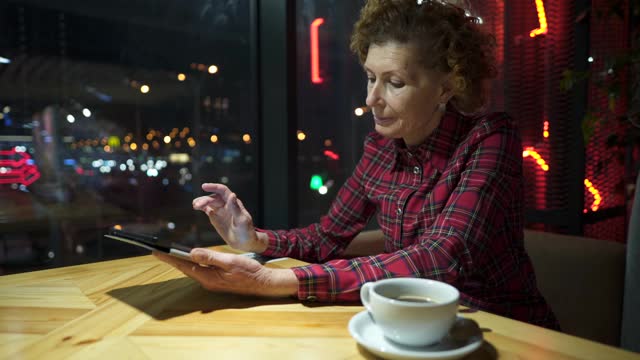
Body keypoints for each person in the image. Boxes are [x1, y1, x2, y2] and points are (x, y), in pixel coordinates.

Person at [155, 0, 559, 329]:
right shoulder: (380, 149)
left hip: (502, 328)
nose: (371, 99)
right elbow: (325, 238)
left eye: (394, 82)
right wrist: (255, 241)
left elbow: (442, 256)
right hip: (411, 325)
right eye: (370, 77)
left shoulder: (490, 138)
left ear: (447, 86)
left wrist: (276, 280)